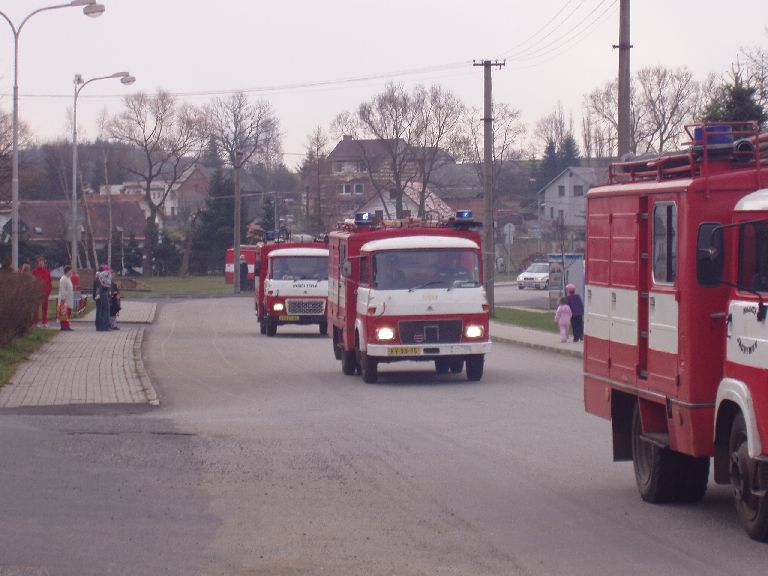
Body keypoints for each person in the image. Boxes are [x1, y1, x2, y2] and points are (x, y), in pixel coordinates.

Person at [31, 256, 52, 328]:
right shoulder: (34, 272)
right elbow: (32, 283)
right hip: (37, 294)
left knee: (45, 308)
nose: (41, 264)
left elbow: (49, 283)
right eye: (40, 262)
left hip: (45, 294)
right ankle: (35, 323)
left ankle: (44, 322)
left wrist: (48, 292)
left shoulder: (47, 272)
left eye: (43, 262)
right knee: (36, 308)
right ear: (38, 263)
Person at [93, 265, 112, 332]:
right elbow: (102, 287)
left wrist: (94, 296)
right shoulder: (102, 278)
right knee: (104, 311)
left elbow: (95, 288)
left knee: (98, 312)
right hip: (103, 295)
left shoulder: (96, 277)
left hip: (97, 296)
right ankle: (104, 327)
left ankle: (98, 327)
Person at [57, 265, 74, 331]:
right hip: (64, 299)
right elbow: (62, 289)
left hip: (69, 298)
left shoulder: (68, 278)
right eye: (70, 271)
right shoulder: (63, 279)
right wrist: (63, 299)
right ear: (67, 271)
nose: (71, 272)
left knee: (68, 312)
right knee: (64, 312)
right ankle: (64, 326)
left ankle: (67, 325)